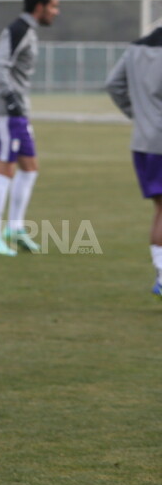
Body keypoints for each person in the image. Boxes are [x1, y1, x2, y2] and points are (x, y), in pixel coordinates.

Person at [0, 0, 60, 255]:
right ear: (39, 7)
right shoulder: (18, 30)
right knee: (4, 169)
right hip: (5, 113)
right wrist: (10, 99)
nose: (55, 12)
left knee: (30, 167)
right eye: (53, 6)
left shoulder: (28, 31)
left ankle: (14, 227)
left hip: (18, 113)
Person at [106, 28, 162, 296]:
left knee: (160, 210)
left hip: (143, 142)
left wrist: (138, 114)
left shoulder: (135, 48)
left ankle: (161, 273)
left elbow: (113, 84)